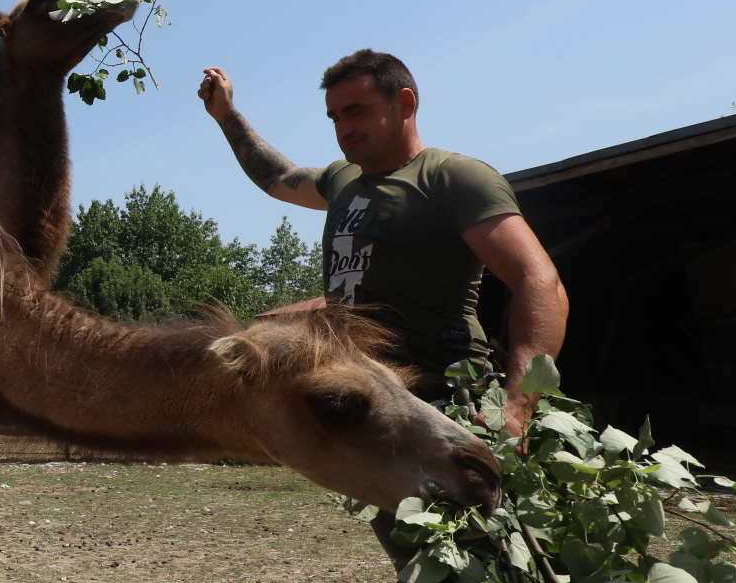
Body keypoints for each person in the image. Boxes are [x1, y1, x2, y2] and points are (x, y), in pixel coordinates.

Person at [197, 48, 567, 440]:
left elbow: (539, 282)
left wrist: (517, 406)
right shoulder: (342, 179)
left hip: (443, 403)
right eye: (335, 117)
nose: (343, 128)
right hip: (365, 400)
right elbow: (279, 177)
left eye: (356, 111)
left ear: (404, 103)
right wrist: (226, 115)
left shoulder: (452, 177)